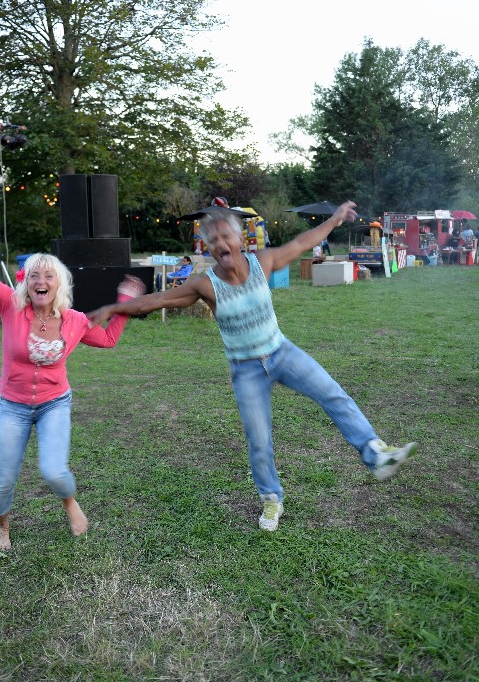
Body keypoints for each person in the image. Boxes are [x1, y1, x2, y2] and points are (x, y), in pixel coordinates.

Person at [88, 202, 417, 532]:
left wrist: (334, 219)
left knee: (333, 394)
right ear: (208, 248)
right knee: (259, 439)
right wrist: (112, 308)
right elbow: (157, 300)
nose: (220, 244)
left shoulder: (263, 261)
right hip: (246, 370)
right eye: (213, 240)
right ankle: (271, 498)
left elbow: (303, 242)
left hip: (282, 352)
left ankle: (375, 454)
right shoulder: (205, 284)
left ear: (240, 239)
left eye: (225, 236)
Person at [0, 252, 145, 550]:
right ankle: (1, 525)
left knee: (54, 471)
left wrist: (124, 303)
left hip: (54, 404)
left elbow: (109, 339)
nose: (41, 281)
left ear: (59, 283)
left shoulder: (74, 320)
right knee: (3, 479)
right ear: (26, 282)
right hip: (13, 406)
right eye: (34, 275)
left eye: (49, 276)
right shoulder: (10, 304)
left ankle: (70, 502)